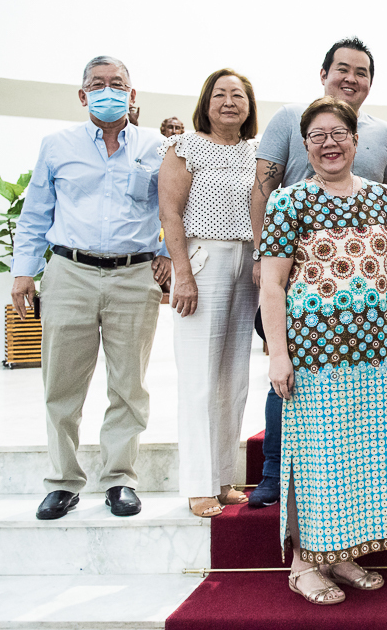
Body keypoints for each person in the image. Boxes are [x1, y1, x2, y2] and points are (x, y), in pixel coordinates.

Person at [259, 97, 387, 605]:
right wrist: (278, 354)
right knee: (317, 458)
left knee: (363, 455)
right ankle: (305, 564)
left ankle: (341, 552)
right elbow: (272, 286)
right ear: (306, 146)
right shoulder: (289, 201)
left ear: (355, 139)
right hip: (313, 355)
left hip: (374, 353)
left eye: (339, 133)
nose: (330, 143)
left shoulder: (380, 198)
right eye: (318, 136)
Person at [11, 55, 171, 521]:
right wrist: (24, 271)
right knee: (61, 384)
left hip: (133, 274)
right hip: (69, 273)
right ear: (82, 95)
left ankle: (120, 479)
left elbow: (172, 208)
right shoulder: (57, 145)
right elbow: (37, 211)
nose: (108, 91)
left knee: (129, 385)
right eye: (97, 84)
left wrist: (167, 256)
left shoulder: (158, 147)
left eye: (117, 83)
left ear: (133, 94)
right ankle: (62, 482)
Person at [248, 37, 387, 508]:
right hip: (304, 301)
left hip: (366, 329)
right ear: (324, 73)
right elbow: (263, 186)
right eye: (342, 68)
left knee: (359, 439)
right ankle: (276, 472)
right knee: (291, 396)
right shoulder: (289, 122)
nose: (351, 78)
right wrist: (264, 256)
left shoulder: (384, 138)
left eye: (361, 71)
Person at [158, 68, 260, 518]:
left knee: (234, 378)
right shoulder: (186, 148)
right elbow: (170, 211)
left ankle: (222, 477)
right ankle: (198, 483)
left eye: (238, 95)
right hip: (202, 261)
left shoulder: (256, 153)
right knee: (199, 378)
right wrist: (182, 273)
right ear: (206, 102)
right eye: (219, 94)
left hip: (246, 264)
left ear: (249, 105)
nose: (229, 102)